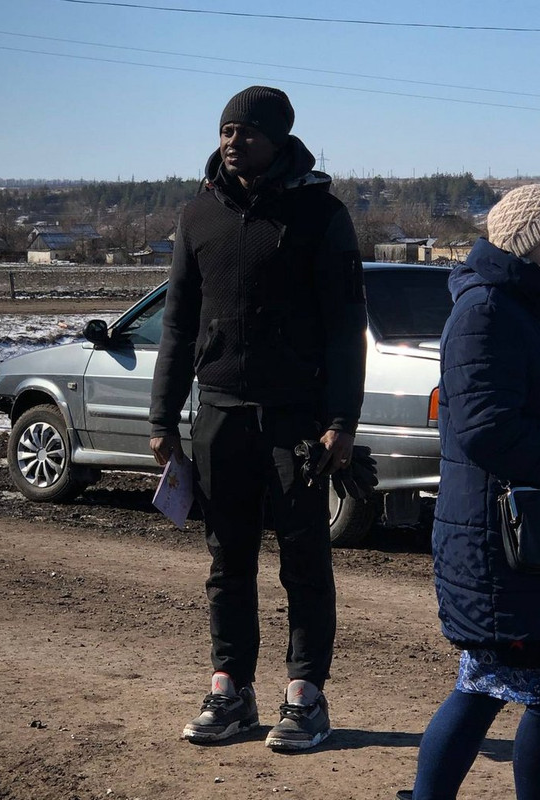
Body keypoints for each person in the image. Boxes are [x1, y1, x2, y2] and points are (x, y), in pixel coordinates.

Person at [149, 86, 367, 751]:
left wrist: (342, 420)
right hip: (219, 416)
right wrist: (162, 420)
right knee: (227, 560)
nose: (232, 140)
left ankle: (305, 696)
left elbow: (345, 328)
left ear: (277, 139)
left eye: (246, 131)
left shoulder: (320, 214)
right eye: (225, 130)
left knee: (305, 561)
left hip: (298, 422)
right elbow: (177, 325)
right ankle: (231, 691)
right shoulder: (198, 216)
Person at [397, 184, 540, 800]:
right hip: (495, 546)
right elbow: (489, 431)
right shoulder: (487, 312)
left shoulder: (529, 310)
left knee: (484, 684)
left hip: (516, 541)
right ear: (519, 245)